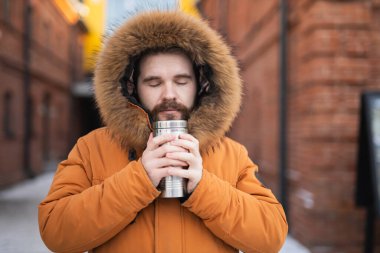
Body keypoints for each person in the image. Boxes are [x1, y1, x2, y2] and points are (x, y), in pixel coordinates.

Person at [38, 10, 288, 253]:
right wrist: (138, 180)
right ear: (131, 88)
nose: (169, 94)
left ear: (200, 86)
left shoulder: (231, 154)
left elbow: (271, 237)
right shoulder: (92, 148)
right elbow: (55, 232)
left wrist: (203, 187)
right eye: (154, 82)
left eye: (181, 81)